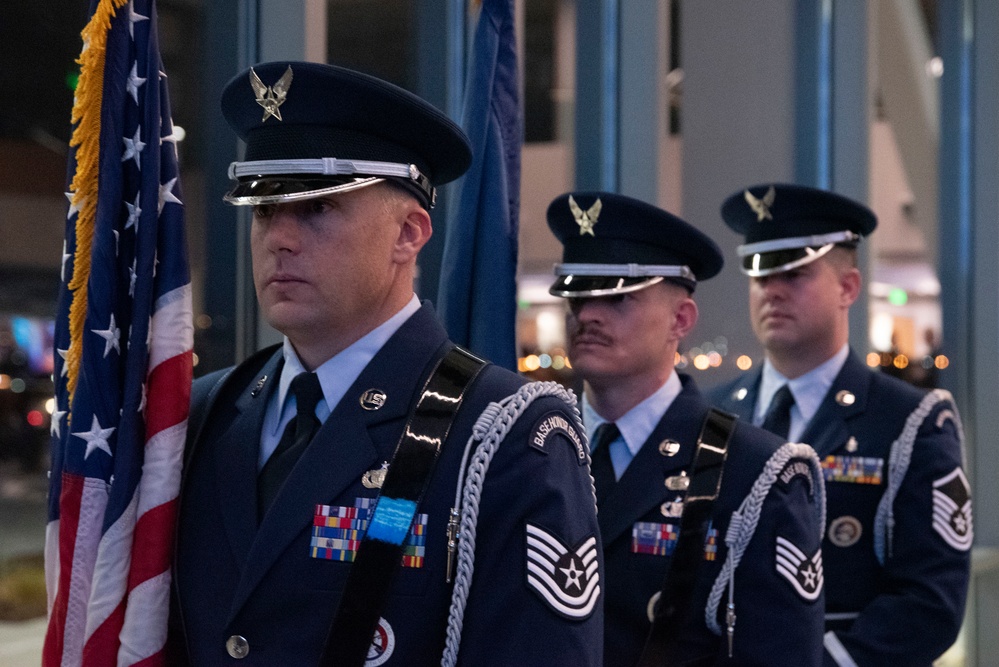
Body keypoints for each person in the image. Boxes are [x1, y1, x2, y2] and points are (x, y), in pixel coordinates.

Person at [168, 61, 603, 666]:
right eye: (264, 210)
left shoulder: (504, 437)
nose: (279, 238)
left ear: (409, 233)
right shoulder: (205, 412)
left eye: (317, 208)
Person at [547, 191, 826, 666]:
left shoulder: (753, 470)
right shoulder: (534, 446)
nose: (587, 314)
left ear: (681, 319)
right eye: (576, 296)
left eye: (617, 298)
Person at [708, 183, 972, 666]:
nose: (772, 290)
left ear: (848, 288)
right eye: (760, 275)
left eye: (796, 273)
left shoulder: (908, 420)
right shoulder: (716, 413)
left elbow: (930, 600)